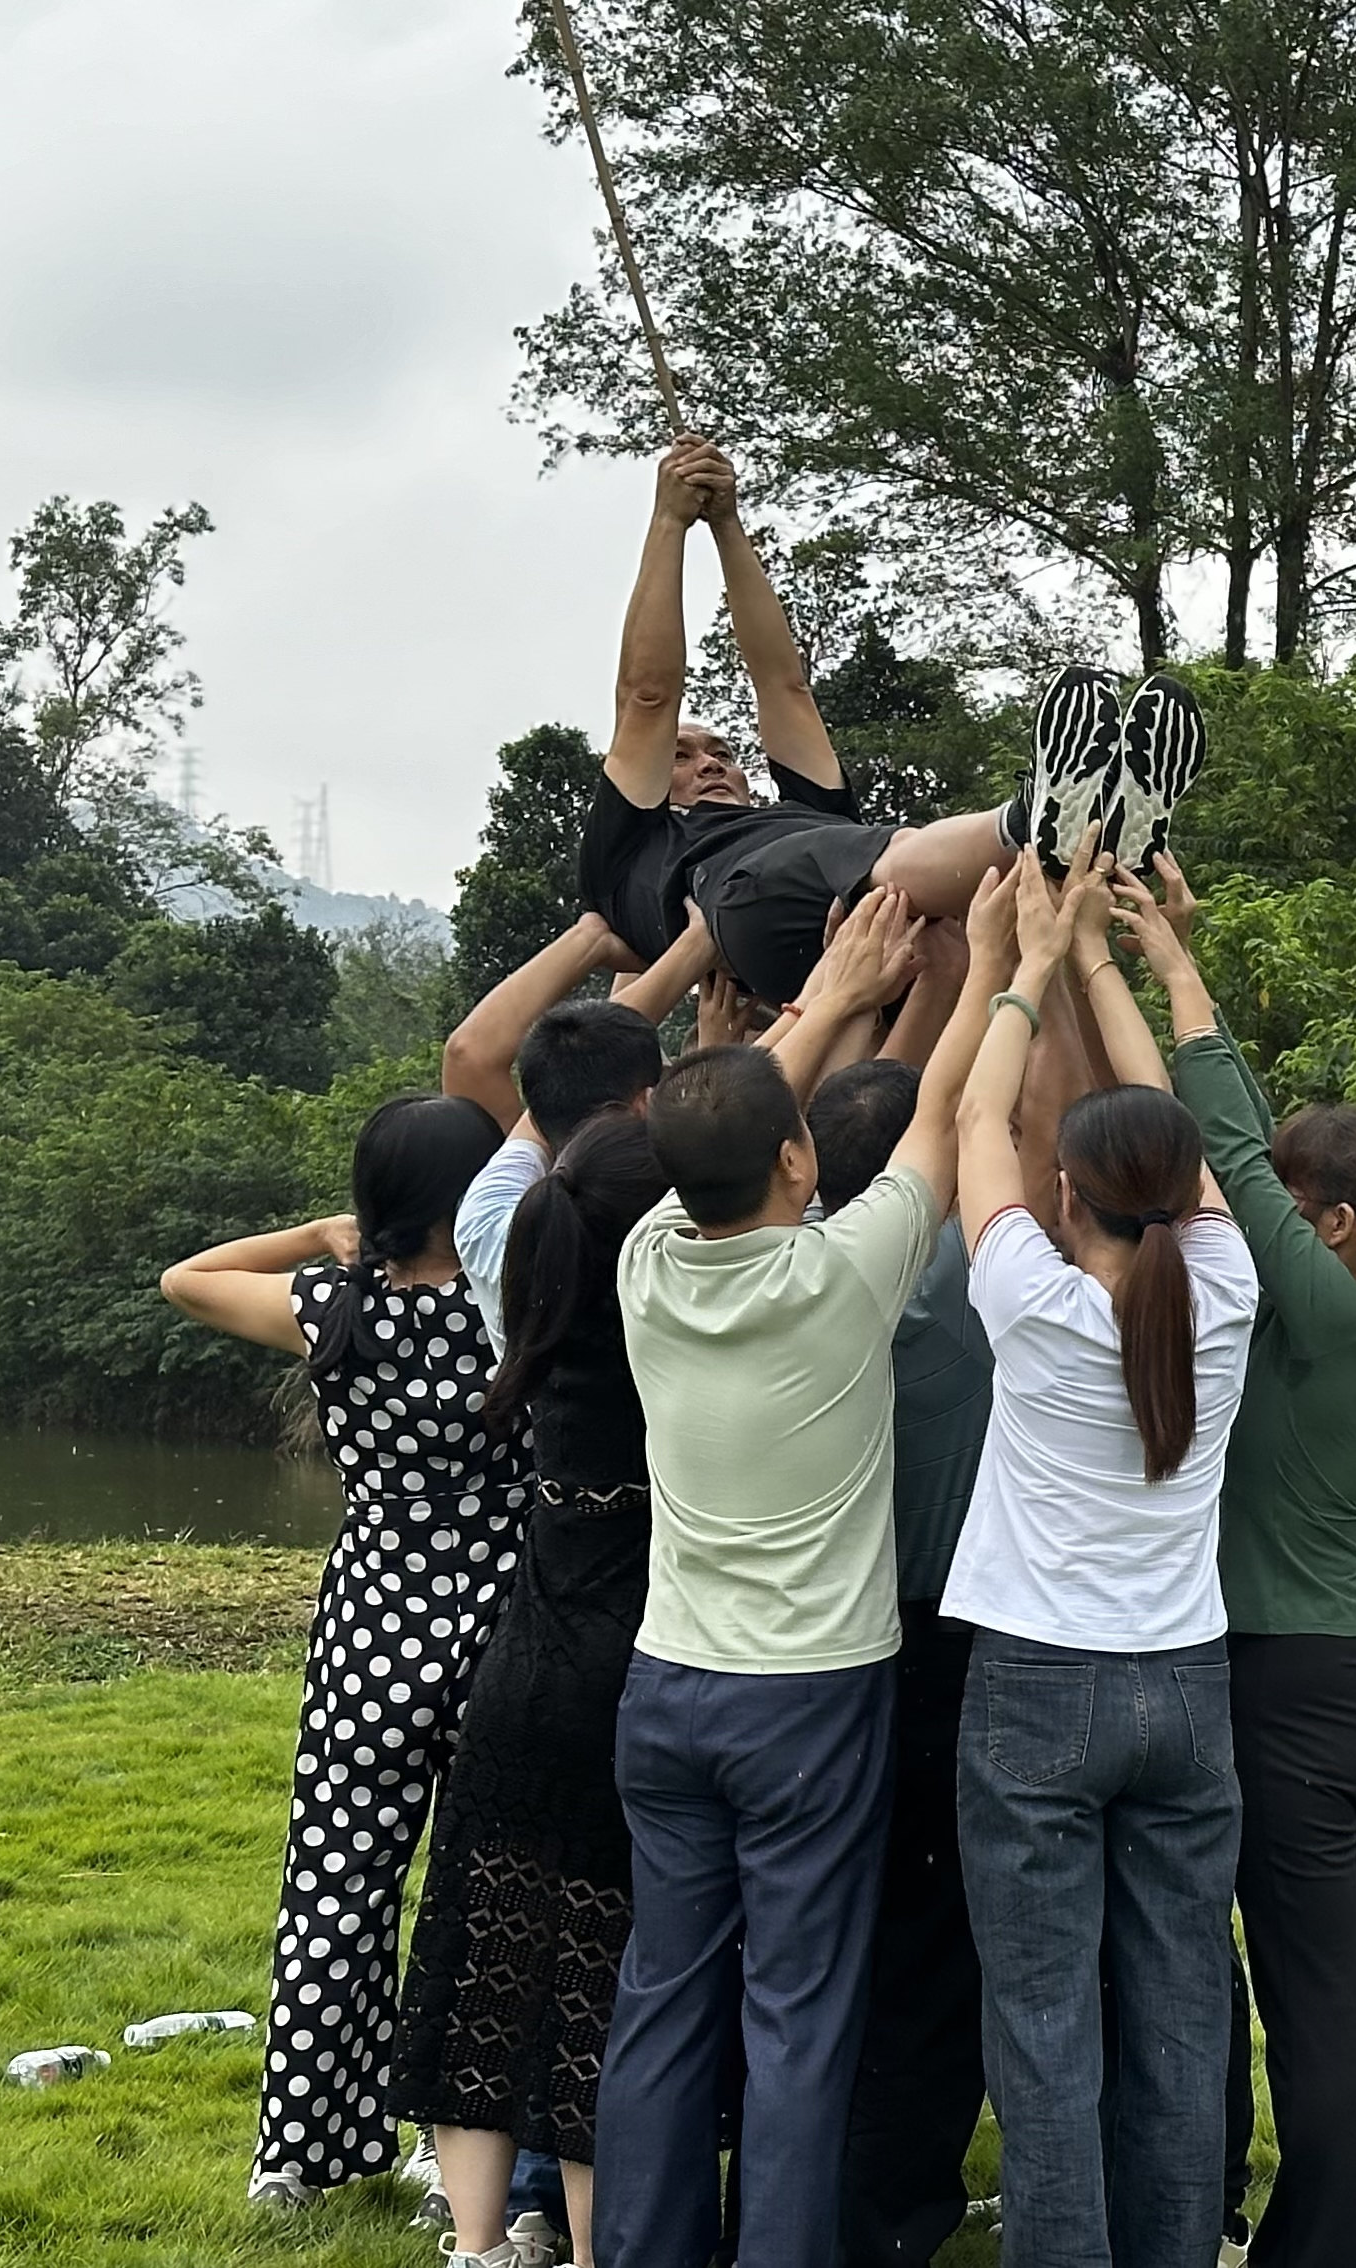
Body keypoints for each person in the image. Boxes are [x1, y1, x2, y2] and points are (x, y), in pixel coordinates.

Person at [601, 902, 984, 2266]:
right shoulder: (841, 1278)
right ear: (795, 1155)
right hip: (809, 1701)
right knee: (801, 2009)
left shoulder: (647, 1265)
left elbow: (725, 1132)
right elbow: (941, 1114)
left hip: (667, 1690)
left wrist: (831, 992)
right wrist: (995, 956)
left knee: (663, 1994)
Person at [1109, 861, 1356, 2268]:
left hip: (1293, 1699)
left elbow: (1228, 1155)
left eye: (1287, 1201)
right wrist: (1179, 963)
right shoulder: (1347, 1311)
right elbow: (1254, 1153)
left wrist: (1171, 974)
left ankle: (1321, 2251)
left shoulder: (1315, 1309)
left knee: (1316, 2004)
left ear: (1329, 1230)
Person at [938, 862, 1262, 2267]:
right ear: (1183, 1193)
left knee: (1044, 2010)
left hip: (1036, 1691)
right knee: (1186, 2003)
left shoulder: (1029, 1300)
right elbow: (1177, 1142)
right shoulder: (1230, 1289)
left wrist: (1021, 962)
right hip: (1185, 1690)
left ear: (1066, 1188)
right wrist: (1110, 970)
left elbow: (967, 1116)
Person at [161, 1094, 532, 2210]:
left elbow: (187, 1278)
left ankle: (299, 2158)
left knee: (337, 1887)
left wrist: (327, 1237)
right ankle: (458, 2158)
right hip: (504, 1620)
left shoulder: (335, 1306)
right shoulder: (522, 1303)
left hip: (373, 1622)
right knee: (486, 1899)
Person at [576, 439, 1148, 1012]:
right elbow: (648, 698)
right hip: (751, 903)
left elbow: (784, 685)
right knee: (888, 856)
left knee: (1001, 953)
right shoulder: (633, 849)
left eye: (723, 753)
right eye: (681, 756)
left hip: (869, 945)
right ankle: (1029, 822)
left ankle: (1095, 838)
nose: (710, 762)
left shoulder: (802, 815)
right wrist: (670, 518)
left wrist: (728, 523)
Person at [387, 1112, 668, 2268]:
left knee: (483, 1959)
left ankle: (477, 2245)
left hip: (521, 1674)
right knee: (602, 1982)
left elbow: (496, 1175)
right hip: (632, 1681)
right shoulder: (679, 1327)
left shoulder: (529, 1311)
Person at [822, 1054, 1007, 2268]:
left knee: (835, 1933)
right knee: (933, 1942)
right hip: (947, 1638)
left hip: (822, 1649)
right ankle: (889, 2210)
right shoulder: (958, 1291)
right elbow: (998, 1132)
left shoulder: (795, 1282)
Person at [442, 914, 713, 1351]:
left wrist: (675, 946)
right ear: (645, 1103)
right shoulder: (679, 1226)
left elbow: (479, 1059)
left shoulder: (487, 1227)